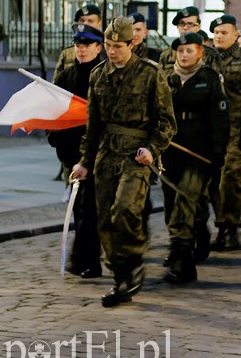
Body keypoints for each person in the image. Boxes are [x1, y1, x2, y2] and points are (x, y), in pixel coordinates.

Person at [72, 16, 176, 307]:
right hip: (106, 154)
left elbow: (167, 122)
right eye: (107, 45)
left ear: (132, 43)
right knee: (105, 219)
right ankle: (121, 277)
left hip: (136, 154)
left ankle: (132, 263)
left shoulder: (150, 73)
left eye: (117, 46)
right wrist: (84, 161)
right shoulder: (98, 75)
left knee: (125, 210)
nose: (111, 51)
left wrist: (153, 149)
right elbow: (93, 125)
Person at [162, 32, 229, 283]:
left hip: (198, 152)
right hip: (170, 150)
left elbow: (220, 119)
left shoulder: (209, 79)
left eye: (189, 50)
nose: (184, 55)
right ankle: (197, 229)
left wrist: (218, 151)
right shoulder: (165, 78)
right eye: (180, 51)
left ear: (200, 52)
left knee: (185, 199)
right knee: (172, 203)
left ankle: (182, 259)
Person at [48, 23, 105, 279]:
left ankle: (86, 259)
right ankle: (87, 260)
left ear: (98, 47)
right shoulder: (67, 75)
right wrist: (55, 138)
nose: (80, 50)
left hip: (98, 152)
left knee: (88, 207)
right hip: (71, 152)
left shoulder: (105, 74)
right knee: (82, 205)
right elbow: (54, 109)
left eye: (86, 45)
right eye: (78, 45)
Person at [206, 14, 241, 252]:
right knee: (213, 181)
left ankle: (229, 228)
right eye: (216, 33)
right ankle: (219, 223)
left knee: (231, 178)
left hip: (239, 128)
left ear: (236, 35)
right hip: (213, 129)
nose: (219, 36)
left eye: (224, 32)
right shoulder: (207, 59)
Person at [158, 6, 221, 73]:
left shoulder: (210, 54)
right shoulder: (167, 55)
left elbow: (216, 81)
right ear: (177, 27)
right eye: (182, 24)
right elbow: (161, 81)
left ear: (198, 27)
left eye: (190, 24)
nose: (185, 28)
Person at [54, 3, 104, 81]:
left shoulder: (108, 52)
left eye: (90, 21)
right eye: (82, 20)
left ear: (99, 23)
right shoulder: (67, 53)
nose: (85, 24)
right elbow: (56, 85)